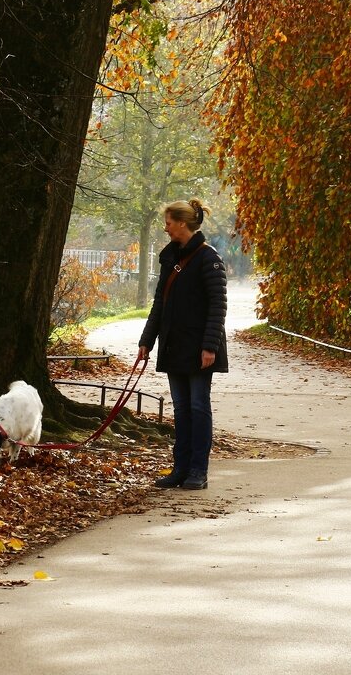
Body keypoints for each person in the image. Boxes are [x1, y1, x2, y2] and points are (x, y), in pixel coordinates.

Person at [137, 198, 228, 490]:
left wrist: (210, 347)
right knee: (181, 409)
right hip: (174, 345)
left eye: (169, 223)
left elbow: (218, 305)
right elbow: (160, 303)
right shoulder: (170, 257)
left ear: (183, 223)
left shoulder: (208, 258)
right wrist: (146, 341)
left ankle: (198, 471)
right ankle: (180, 469)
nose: (166, 228)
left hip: (199, 347)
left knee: (199, 407)